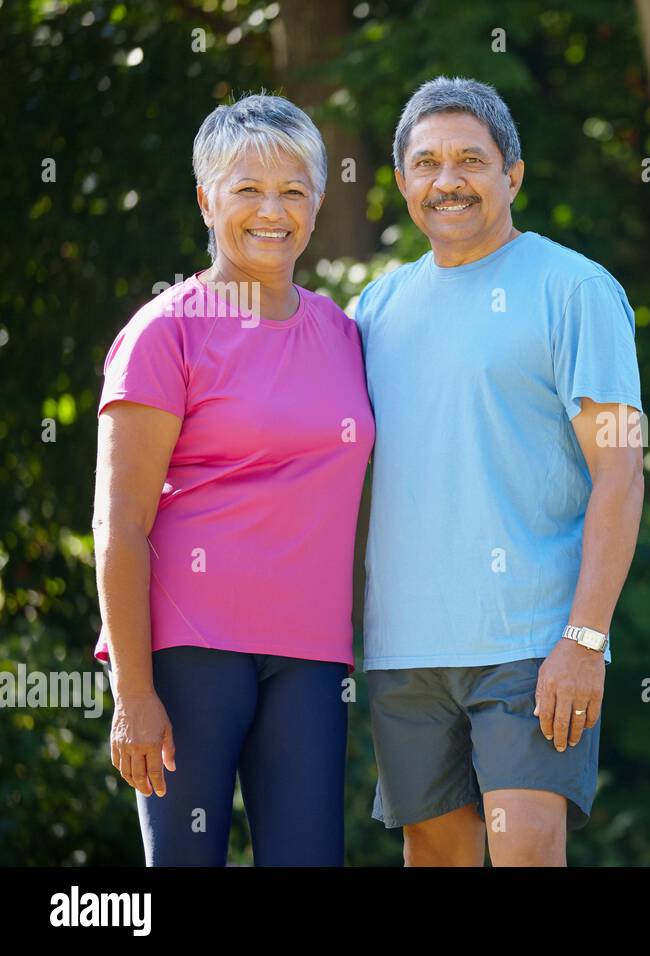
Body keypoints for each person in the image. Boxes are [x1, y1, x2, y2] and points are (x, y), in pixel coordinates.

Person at [356, 76, 644, 866]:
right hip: (404, 649)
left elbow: (621, 472)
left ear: (512, 174)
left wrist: (584, 639)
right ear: (405, 183)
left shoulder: (576, 290)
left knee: (526, 852)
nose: (447, 180)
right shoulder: (372, 312)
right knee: (437, 860)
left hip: (532, 642)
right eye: (426, 164)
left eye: (470, 160)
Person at [92, 93, 375, 866]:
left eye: (293, 189)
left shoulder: (343, 333)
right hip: (189, 650)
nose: (271, 211)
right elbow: (118, 524)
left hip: (312, 657)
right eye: (247, 188)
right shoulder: (165, 332)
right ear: (206, 199)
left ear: (317, 200)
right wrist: (133, 693)